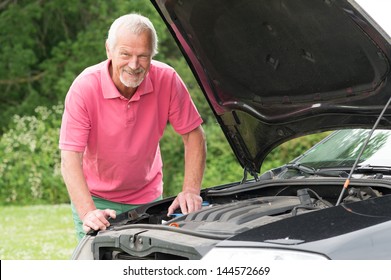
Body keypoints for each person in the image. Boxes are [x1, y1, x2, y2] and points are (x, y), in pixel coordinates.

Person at [59, 13, 206, 241]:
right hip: (95, 198)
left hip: (147, 197)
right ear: (109, 50)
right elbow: (70, 157)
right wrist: (88, 211)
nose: (134, 65)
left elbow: (193, 135)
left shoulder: (167, 79)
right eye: (125, 54)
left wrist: (191, 190)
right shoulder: (84, 87)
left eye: (143, 56)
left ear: (152, 55)